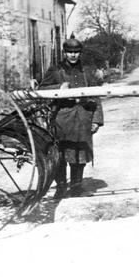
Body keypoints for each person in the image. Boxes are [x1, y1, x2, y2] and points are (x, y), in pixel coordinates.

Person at [39, 36, 104, 198]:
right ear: (64, 52)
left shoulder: (87, 71)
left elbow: (96, 95)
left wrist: (96, 120)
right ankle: (61, 188)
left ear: (80, 53)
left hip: (83, 117)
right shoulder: (55, 70)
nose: (73, 55)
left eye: (76, 52)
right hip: (62, 119)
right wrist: (59, 87)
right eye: (69, 52)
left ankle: (76, 187)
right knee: (60, 155)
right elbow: (42, 89)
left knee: (80, 153)